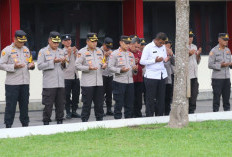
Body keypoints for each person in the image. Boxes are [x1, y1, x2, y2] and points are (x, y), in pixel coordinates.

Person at [0, 30, 35, 128]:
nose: (22, 43)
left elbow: (29, 62)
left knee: (24, 106)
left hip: (25, 82)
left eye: (23, 41)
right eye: (20, 41)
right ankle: (8, 126)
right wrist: (13, 67)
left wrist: (31, 66)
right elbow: (1, 65)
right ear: (14, 39)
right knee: (11, 106)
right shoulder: (7, 50)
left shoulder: (26, 50)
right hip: (12, 84)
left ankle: (25, 125)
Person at [76, 33, 106, 122]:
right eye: (92, 41)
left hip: (99, 82)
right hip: (88, 83)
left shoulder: (100, 51)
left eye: (96, 41)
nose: (94, 43)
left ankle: (100, 121)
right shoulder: (82, 52)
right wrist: (88, 68)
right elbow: (77, 65)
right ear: (87, 41)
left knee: (99, 104)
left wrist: (104, 66)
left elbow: (103, 62)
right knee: (87, 104)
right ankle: (84, 122)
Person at [37, 31, 66, 125]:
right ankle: (46, 123)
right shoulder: (43, 51)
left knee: (60, 105)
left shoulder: (61, 51)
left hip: (60, 83)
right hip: (49, 84)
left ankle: (60, 121)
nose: (56, 44)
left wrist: (63, 63)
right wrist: (52, 62)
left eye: (58, 42)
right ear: (49, 40)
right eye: (54, 42)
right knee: (48, 106)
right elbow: (40, 66)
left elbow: (65, 66)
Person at [108, 35, 138, 119]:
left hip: (130, 82)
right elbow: (110, 67)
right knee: (119, 103)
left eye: (129, 43)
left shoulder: (131, 54)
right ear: (121, 43)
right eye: (126, 43)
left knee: (129, 103)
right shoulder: (114, 54)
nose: (128, 45)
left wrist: (135, 69)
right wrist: (120, 70)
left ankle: (128, 120)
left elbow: (134, 71)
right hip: (119, 81)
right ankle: (117, 120)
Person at [140, 32, 168, 117]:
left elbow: (163, 57)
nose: (162, 45)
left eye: (163, 43)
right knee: (150, 98)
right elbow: (142, 61)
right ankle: (150, 117)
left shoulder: (163, 47)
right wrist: (154, 60)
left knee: (161, 98)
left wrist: (165, 59)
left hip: (162, 75)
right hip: (151, 76)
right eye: (160, 43)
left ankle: (159, 116)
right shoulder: (148, 47)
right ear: (156, 40)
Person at [208, 33, 231, 112]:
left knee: (227, 99)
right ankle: (215, 114)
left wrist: (230, 64)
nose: (226, 42)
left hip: (227, 78)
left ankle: (227, 115)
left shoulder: (228, 50)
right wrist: (220, 65)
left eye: (227, 40)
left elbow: (230, 63)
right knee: (216, 99)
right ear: (219, 40)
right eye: (224, 40)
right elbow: (210, 65)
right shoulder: (213, 51)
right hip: (217, 79)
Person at [62, 34, 81, 119]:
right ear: (62, 42)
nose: (68, 42)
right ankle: (68, 112)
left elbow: (79, 61)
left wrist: (76, 52)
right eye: (66, 40)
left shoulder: (75, 50)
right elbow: (64, 64)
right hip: (66, 76)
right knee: (66, 96)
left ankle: (74, 111)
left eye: (69, 40)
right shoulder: (61, 51)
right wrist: (68, 54)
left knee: (76, 95)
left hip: (75, 75)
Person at [129, 37, 144, 117]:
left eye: (138, 47)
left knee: (138, 98)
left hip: (139, 79)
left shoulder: (140, 53)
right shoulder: (127, 52)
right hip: (131, 79)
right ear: (131, 45)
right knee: (131, 97)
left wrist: (140, 61)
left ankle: (138, 112)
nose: (137, 49)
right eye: (136, 47)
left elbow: (143, 65)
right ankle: (131, 114)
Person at [188, 30, 202, 114]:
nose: (191, 38)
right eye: (189, 37)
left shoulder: (194, 46)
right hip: (187, 76)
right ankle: (187, 112)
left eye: (192, 37)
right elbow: (180, 60)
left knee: (194, 94)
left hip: (194, 74)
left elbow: (197, 61)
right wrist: (189, 54)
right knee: (187, 96)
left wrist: (198, 54)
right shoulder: (182, 46)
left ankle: (192, 111)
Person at [101, 37, 114, 116]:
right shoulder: (98, 51)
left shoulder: (111, 52)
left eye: (109, 47)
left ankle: (109, 109)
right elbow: (99, 63)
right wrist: (104, 56)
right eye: (107, 47)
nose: (108, 49)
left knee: (109, 93)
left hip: (110, 74)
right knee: (101, 94)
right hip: (102, 75)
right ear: (103, 44)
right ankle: (101, 110)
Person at [164, 38, 175, 115]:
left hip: (169, 78)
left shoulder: (170, 53)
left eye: (169, 45)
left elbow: (175, 63)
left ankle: (167, 112)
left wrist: (171, 55)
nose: (168, 47)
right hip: (161, 78)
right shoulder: (160, 52)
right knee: (161, 97)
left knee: (168, 97)